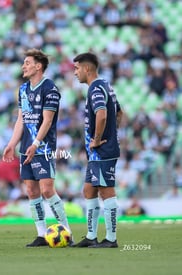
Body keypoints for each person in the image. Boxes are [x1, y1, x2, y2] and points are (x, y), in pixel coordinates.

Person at [2, 48, 72, 247]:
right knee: (32, 191)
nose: (23, 66)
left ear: (38, 66)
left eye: (27, 63)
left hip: (43, 147)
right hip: (26, 147)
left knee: (47, 190)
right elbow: (21, 120)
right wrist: (12, 144)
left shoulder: (50, 89)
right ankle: (41, 234)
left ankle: (66, 231)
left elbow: (47, 121)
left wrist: (36, 143)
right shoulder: (23, 89)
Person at [72, 52, 123, 248]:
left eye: (77, 69)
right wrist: (112, 132)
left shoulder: (95, 88)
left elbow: (101, 115)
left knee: (106, 191)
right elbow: (119, 112)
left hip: (102, 150)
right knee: (89, 190)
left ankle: (111, 239)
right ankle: (91, 236)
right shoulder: (106, 85)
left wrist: (99, 139)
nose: (75, 73)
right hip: (99, 151)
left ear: (87, 68)